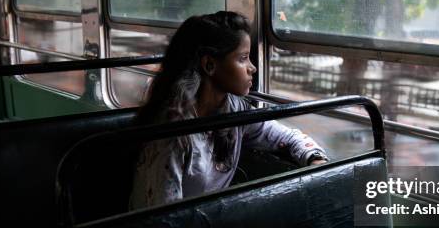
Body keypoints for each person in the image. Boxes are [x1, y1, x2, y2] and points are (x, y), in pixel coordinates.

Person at [129, 11, 329, 209]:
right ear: (209, 65)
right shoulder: (171, 134)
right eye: (242, 58)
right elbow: (163, 219)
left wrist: (316, 159)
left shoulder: (233, 109)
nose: (253, 68)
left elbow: (284, 137)